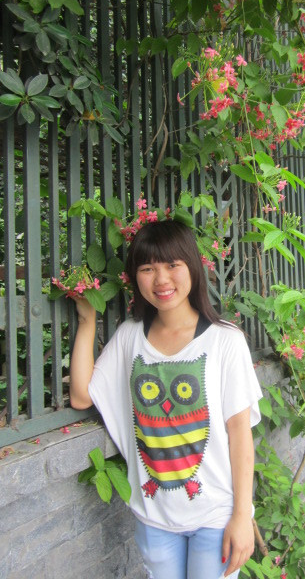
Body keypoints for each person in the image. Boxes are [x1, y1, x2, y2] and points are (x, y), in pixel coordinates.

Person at [69, 219, 263, 579]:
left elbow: (240, 433)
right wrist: (87, 321)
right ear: (135, 276)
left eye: (172, 264)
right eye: (147, 268)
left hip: (216, 515)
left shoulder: (225, 340)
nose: (161, 279)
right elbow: (82, 395)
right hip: (154, 517)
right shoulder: (130, 337)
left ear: (192, 267)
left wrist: (242, 515)